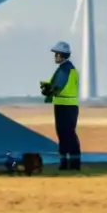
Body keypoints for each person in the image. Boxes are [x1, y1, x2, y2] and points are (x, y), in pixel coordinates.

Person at [40, 40, 81, 171]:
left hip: (65, 106)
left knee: (66, 134)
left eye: (56, 54)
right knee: (66, 134)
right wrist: (48, 86)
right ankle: (69, 163)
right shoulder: (66, 69)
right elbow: (57, 85)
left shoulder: (65, 70)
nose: (55, 56)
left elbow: (58, 86)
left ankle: (69, 164)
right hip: (66, 105)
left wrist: (48, 90)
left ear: (62, 55)